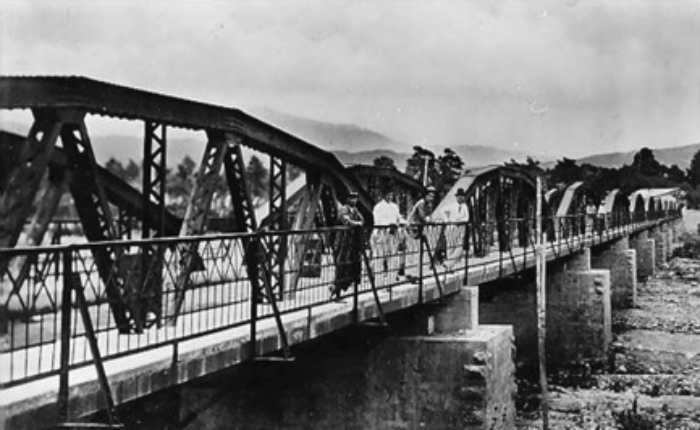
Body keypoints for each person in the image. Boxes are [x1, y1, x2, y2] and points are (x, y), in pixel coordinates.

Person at [331, 191, 364, 301]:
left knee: (348, 267)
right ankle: (336, 291)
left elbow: (362, 219)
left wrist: (357, 222)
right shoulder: (343, 209)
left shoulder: (355, 210)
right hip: (342, 242)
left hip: (350, 243)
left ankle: (337, 289)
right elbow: (346, 221)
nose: (354, 200)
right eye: (352, 198)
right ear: (348, 199)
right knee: (341, 266)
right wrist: (357, 223)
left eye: (356, 198)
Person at [372, 190, 406, 283]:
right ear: (384, 195)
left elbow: (399, 218)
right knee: (379, 258)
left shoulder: (395, 207)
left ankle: (391, 280)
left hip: (392, 235)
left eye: (391, 195)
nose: (390, 197)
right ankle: (378, 282)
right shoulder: (378, 207)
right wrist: (389, 224)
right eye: (388, 194)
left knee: (393, 257)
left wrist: (404, 222)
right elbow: (378, 221)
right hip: (381, 234)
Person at [445, 188, 469, 271]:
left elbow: (466, 218)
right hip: (451, 228)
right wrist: (447, 220)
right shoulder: (451, 206)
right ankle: (449, 268)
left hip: (460, 229)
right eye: (459, 196)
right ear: (456, 197)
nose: (460, 198)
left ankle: (447, 264)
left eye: (462, 196)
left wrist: (458, 220)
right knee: (450, 248)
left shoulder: (465, 206)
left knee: (459, 248)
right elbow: (443, 213)